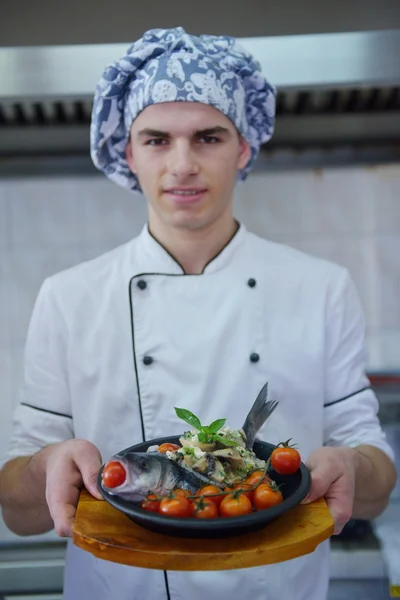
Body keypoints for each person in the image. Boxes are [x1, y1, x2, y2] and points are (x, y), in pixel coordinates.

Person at [0, 26, 397, 600]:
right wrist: (44, 469)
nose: (182, 164)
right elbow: (18, 511)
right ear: (127, 151)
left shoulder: (321, 288)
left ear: (243, 147)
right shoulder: (69, 297)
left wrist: (358, 470)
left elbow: (376, 482)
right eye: (157, 139)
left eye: (208, 137)